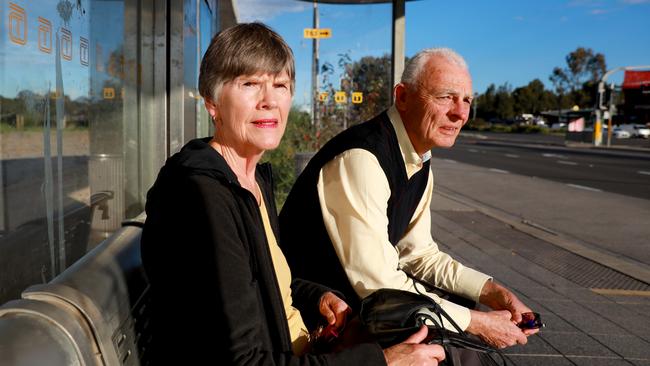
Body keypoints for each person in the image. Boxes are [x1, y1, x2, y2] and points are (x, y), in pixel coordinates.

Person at [141, 23, 445, 365]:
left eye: (281, 85)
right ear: (212, 101)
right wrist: (384, 362)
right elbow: (245, 361)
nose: (269, 100)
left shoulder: (250, 180)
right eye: (250, 84)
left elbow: (255, 282)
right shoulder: (202, 196)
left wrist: (315, 296)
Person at [279, 48, 539, 352]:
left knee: (457, 312)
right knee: (449, 337)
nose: (461, 113)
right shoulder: (362, 158)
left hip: (358, 313)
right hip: (311, 321)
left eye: (467, 100)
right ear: (402, 96)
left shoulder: (419, 160)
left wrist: (491, 291)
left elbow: (419, 255)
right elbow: (379, 285)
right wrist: (476, 323)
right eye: (445, 97)